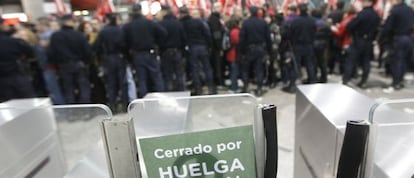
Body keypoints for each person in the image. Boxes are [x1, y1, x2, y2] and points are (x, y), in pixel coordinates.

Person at [123, 4, 167, 98]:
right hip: (150, 52)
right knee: (156, 77)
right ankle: (162, 98)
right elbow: (163, 33)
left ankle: (145, 101)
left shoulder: (128, 26)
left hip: (137, 54)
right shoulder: (149, 22)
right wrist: (156, 43)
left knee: (142, 79)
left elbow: (123, 42)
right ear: (141, 10)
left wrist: (129, 53)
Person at [48, 14, 92, 104]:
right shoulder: (79, 35)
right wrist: (87, 62)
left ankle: (71, 111)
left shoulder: (55, 36)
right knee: (83, 87)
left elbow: (51, 53)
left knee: (68, 89)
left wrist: (56, 65)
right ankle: (86, 109)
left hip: (63, 66)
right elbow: (87, 51)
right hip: (79, 64)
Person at [93, 13, 127, 111]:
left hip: (108, 59)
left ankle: (112, 105)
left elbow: (96, 47)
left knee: (111, 83)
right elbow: (124, 45)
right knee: (122, 82)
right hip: (120, 58)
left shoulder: (103, 32)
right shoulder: (120, 30)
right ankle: (125, 105)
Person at [343, 0, 380, 88]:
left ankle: (346, 79)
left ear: (369, 2)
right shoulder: (376, 15)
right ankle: (363, 81)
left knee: (351, 60)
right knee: (366, 62)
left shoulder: (362, 14)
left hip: (358, 39)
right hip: (369, 41)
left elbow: (350, 26)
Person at [180, 6, 216, 95]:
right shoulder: (199, 22)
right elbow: (207, 34)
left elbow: (183, 37)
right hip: (203, 47)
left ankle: (198, 88)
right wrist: (209, 46)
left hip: (192, 48)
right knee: (207, 67)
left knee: (195, 69)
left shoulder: (184, 24)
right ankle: (211, 87)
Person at [0, 17, 36, 102]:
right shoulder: (14, 41)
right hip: (17, 76)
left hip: (2, 81)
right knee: (28, 103)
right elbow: (31, 53)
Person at [381, 0, 414, 90]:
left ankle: (395, 82)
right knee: (403, 61)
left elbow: (388, 27)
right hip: (408, 38)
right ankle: (399, 80)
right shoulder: (410, 10)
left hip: (398, 38)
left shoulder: (395, 10)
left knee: (397, 61)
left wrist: (383, 38)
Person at [239, 6, 272, 96]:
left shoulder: (246, 23)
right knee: (259, 69)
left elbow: (242, 38)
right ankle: (259, 88)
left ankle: (246, 87)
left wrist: (241, 50)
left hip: (249, 49)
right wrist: (269, 50)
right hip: (260, 49)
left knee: (246, 69)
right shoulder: (263, 22)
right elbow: (268, 38)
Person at [285, 3, 317, 93]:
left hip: (297, 46)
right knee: (309, 65)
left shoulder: (295, 21)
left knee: (295, 65)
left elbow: (290, 34)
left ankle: (292, 85)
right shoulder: (312, 20)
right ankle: (313, 82)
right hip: (309, 45)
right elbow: (314, 32)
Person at [35, 17, 65, 104]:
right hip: (48, 66)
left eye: (37, 25)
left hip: (49, 66)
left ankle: (60, 108)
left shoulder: (49, 37)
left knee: (54, 89)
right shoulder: (43, 37)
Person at [157, 5, 187, 92]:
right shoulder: (178, 23)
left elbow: (158, 39)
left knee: (167, 75)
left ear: (164, 12)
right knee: (179, 74)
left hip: (165, 52)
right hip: (177, 51)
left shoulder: (160, 24)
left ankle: (168, 92)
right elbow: (183, 38)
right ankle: (181, 92)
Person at [208, 2, 226, 86]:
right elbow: (216, 34)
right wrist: (220, 47)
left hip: (215, 46)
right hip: (215, 47)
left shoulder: (216, 18)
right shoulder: (214, 19)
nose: (220, 9)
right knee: (217, 65)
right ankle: (218, 82)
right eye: (218, 7)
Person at [312, 9, 331, 83]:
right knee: (322, 62)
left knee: (313, 62)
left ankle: (314, 76)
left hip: (313, 44)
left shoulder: (312, 23)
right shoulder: (325, 24)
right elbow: (329, 35)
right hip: (323, 45)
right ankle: (324, 77)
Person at [226, 17, 242, 93]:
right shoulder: (235, 32)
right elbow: (237, 41)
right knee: (234, 71)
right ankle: (234, 87)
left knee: (233, 70)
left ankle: (234, 86)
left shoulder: (230, 31)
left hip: (231, 53)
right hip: (235, 54)